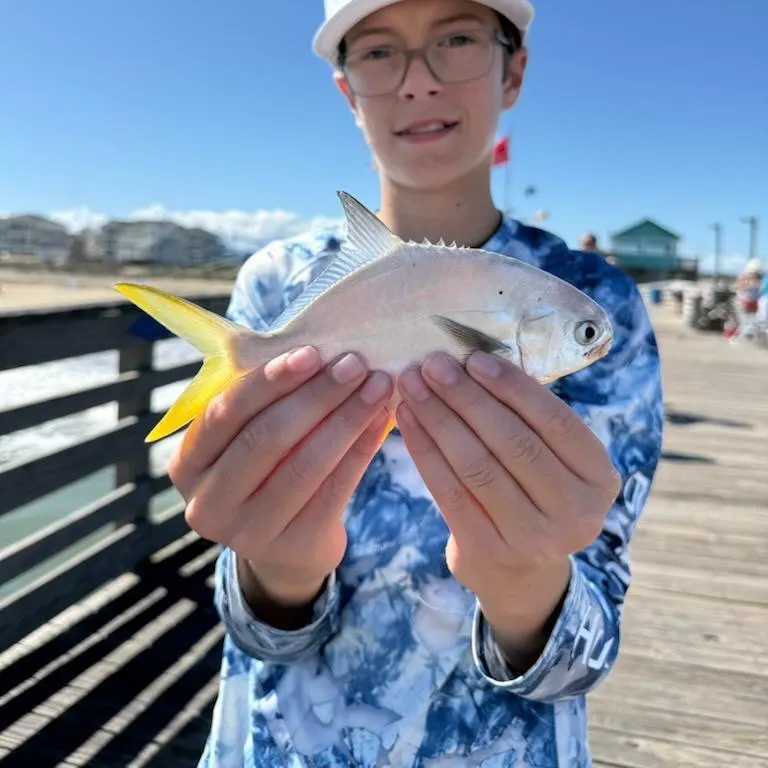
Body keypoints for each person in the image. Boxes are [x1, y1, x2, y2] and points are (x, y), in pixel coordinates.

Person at [183, 1, 664, 765]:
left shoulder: (598, 301)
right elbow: (247, 626)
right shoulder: (277, 285)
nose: (417, 82)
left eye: (458, 39)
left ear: (515, 69)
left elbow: (588, 644)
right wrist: (276, 572)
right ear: (346, 90)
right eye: (379, 51)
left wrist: (526, 585)